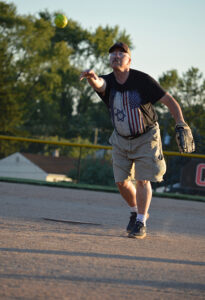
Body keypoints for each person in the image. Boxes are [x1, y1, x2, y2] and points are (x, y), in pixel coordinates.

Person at [80, 41, 194, 239]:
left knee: (142, 180)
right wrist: (91, 77)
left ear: (129, 60)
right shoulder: (108, 81)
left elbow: (169, 101)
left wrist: (180, 122)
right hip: (120, 138)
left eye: (121, 53)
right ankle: (135, 211)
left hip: (146, 137)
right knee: (121, 183)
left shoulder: (142, 80)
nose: (116, 56)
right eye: (113, 53)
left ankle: (141, 222)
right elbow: (100, 84)